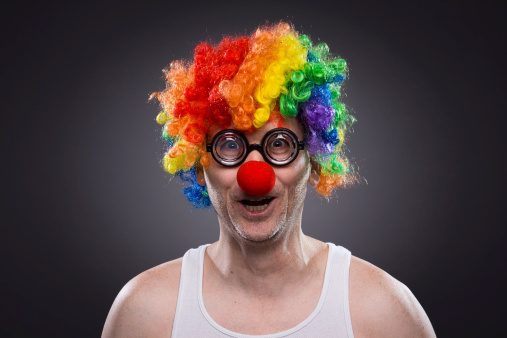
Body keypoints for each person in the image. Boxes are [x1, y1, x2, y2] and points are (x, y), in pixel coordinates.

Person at [102, 22, 436, 337]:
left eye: (279, 144)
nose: (255, 174)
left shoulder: (382, 311)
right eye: (230, 145)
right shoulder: (144, 313)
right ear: (200, 165)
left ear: (314, 161)